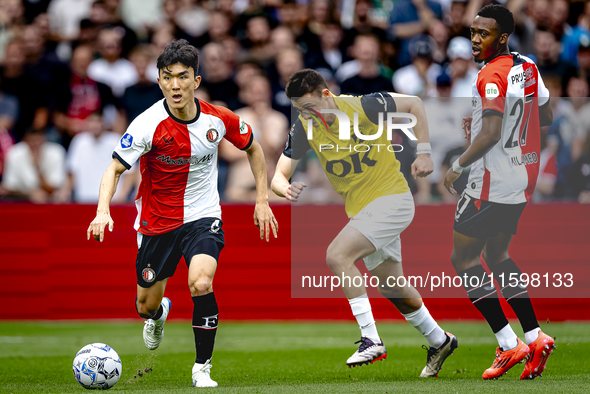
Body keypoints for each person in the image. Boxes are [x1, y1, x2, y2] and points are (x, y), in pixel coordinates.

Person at [86, 39, 278, 388]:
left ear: (196, 81)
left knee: (201, 282)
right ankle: (158, 314)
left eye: (182, 77)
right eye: (167, 77)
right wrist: (103, 211)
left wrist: (262, 199)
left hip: (203, 215)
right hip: (156, 223)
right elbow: (114, 169)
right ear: (160, 81)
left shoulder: (218, 118)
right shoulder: (147, 125)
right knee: (144, 305)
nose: (175, 85)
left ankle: (201, 368)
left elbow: (254, 148)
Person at [271, 68, 458, 377]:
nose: (309, 116)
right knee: (394, 287)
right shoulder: (304, 127)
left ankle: (371, 339)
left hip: (393, 198)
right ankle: (440, 340)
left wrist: (424, 153)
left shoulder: (365, 105)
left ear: (327, 96)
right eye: (301, 111)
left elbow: (414, 104)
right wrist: (283, 188)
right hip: (363, 211)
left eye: (311, 108)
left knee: (337, 255)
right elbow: (279, 174)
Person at [443, 4, 555, 381]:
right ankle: (536, 336)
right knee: (497, 253)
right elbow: (546, 117)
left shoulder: (490, 75)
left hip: (488, 183)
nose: (475, 39)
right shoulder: (528, 66)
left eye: (483, 34)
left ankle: (509, 345)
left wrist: (458, 164)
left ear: (502, 37)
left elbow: (490, 135)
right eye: (473, 32)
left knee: (464, 261)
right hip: (523, 178)